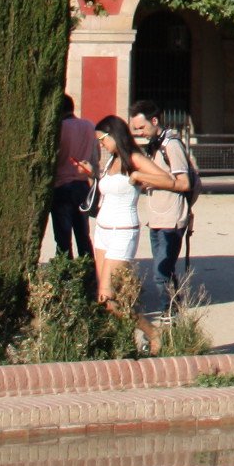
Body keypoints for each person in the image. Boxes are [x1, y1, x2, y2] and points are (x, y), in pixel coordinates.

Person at [127, 101, 198, 304]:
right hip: (156, 218)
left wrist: (147, 178)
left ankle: (169, 311)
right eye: (136, 129)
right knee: (165, 271)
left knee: (160, 273)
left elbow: (184, 183)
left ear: (154, 121)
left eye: (142, 127)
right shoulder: (154, 146)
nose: (139, 133)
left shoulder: (171, 145)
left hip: (172, 218)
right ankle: (175, 307)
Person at [91, 115, 144, 327]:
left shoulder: (134, 159)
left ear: (114, 134)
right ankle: (122, 339)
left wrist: (139, 177)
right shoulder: (112, 160)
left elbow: (172, 181)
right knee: (105, 298)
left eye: (102, 139)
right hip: (103, 230)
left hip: (122, 230)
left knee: (109, 298)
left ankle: (154, 334)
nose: (101, 144)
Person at [50, 98, 98, 261]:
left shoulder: (58, 128)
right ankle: (89, 273)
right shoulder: (90, 126)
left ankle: (65, 275)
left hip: (61, 187)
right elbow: (95, 158)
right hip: (82, 186)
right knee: (83, 235)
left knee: (63, 238)